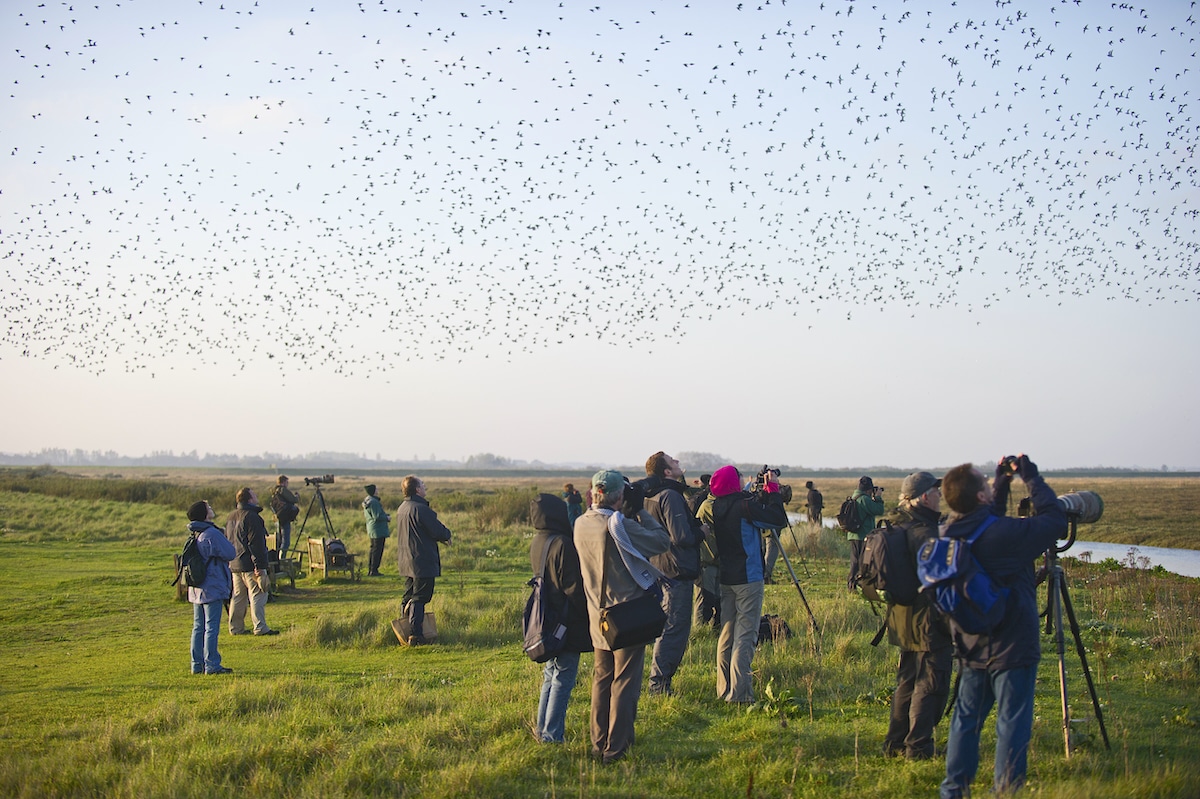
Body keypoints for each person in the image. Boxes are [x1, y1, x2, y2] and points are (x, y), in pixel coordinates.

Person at [938, 456, 1066, 799]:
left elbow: (985, 519)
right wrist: (1032, 478)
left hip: (970, 641)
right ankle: (1005, 791)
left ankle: (954, 790)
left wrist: (1001, 481)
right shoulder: (1007, 535)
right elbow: (1055, 521)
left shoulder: (950, 531)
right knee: (1011, 723)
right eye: (985, 485)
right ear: (980, 496)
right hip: (1012, 645)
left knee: (966, 721)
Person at [574, 470, 669, 764]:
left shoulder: (580, 524)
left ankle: (597, 742)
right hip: (625, 614)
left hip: (597, 615)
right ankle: (617, 748)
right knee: (625, 682)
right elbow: (661, 541)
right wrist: (639, 510)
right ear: (618, 495)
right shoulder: (618, 526)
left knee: (602, 680)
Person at [697, 464, 788, 704]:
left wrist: (761, 491)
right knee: (746, 636)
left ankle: (724, 688)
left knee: (727, 634)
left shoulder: (716, 506)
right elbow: (777, 519)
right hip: (749, 578)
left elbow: (745, 502)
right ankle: (739, 695)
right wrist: (774, 489)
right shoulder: (744, 506)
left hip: (727, 577)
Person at [882, 471, 951, 760]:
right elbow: (940, 580)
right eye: (936, 492)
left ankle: (895, 743)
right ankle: (919, 748)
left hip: (901, 615)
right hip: (926, 618)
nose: (940, 497)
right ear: (923, 497)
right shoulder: (925, 532)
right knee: (930, 683)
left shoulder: (898, 524)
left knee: (907, 680)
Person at [639, 451, 705, 697]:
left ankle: (659, 681)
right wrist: (703, 532)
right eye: (672, 461)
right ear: (666, 471)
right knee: (675, 627)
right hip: (677, 569)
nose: (678, 462)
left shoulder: (650, 496)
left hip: (659, 567)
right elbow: (682, 537)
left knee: (667, 626)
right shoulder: (670, 496)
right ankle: (659, 685)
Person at [529, 493, 592, 743]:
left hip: (548, 618)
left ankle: (541, 730)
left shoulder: (538, 540)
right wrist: (588, 614)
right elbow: (574, 588)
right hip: (567, 620)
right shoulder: (562, 543)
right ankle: (552, 735)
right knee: (563, 679)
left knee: (550, 674)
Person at [395, 474, 452, 645]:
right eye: (422, 484)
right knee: (420, 598)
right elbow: (438, 531)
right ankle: (416, 634)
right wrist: (446, 536)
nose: (425, 486)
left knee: (409, 596)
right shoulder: (421, 509)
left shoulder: (402, 508)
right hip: (421, 560)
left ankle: (403, 630)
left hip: (406, 560)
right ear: (417, 489)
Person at [186, 500, 237, 675]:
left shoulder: (195, 533)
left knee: (198, 627)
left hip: (197, 588)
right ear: (204, 514)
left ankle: (196, 664)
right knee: (211, 627)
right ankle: (212, 664)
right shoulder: (211, 534)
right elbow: (230, 553)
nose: (211, 509)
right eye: (208, 508)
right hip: (212, 586)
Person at [225, 487, 278, 636]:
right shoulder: (252, 517)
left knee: (238, 597)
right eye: (254, 494)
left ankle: (235, 628)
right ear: (249, 499)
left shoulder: (231, 516)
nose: (256, 496)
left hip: (234, 563)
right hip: (250, 564)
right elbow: (256, 544)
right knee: (258, 594)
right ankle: (260, 627)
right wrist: (260, 567)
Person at [688, 474, 720, 629]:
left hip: (714, 557)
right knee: (704, 598)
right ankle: (699, 630)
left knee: (716, 598)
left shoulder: (711, 502)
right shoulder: (708, 505)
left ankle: (713, 628)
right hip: (706, 558)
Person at [848, 475, 886, 591]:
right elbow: (879, 510)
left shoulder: (856, 496)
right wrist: (878, 497)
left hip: (854, 534)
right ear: (868, 489)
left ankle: (853, 584)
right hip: (862, 534)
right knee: (860, 561)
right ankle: (855, 584)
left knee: (855, 560)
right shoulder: (864, 499)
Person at [269, 475, 300, 557]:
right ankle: (282, 559)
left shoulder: (275, 491)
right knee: (286, 542)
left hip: (278, 517)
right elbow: (293, 499)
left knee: (279, 540)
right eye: (286, 482)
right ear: (283, 482)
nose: (287, 484)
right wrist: (297, 496)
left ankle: (277, 559)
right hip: (284, 518)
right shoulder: (282, 490)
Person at [362, 484, 390, 577]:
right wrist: (386, 517)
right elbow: (377, 516)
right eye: (376, 489)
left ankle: (371, 568)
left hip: (372, 528)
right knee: (377, 550)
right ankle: (374, 570)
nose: (378, 490)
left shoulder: (367, 500)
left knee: (373, 549)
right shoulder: (374, 502)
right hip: (378, 529)